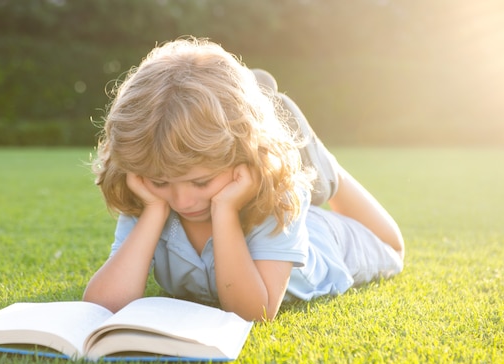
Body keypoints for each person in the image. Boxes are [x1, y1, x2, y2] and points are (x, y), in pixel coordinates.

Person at [83, 37, 404, 321]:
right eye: (162, 182)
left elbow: (253, 312)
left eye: (200, 183)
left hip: (326, 241)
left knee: (393, 249)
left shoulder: (280, 198)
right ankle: (268, 118)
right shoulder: (149, 189)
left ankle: (322, 167)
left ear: (243, 159)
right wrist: (153, 211)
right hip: (244, 169)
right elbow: (102, 306)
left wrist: (224, 211)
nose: (181, 201)